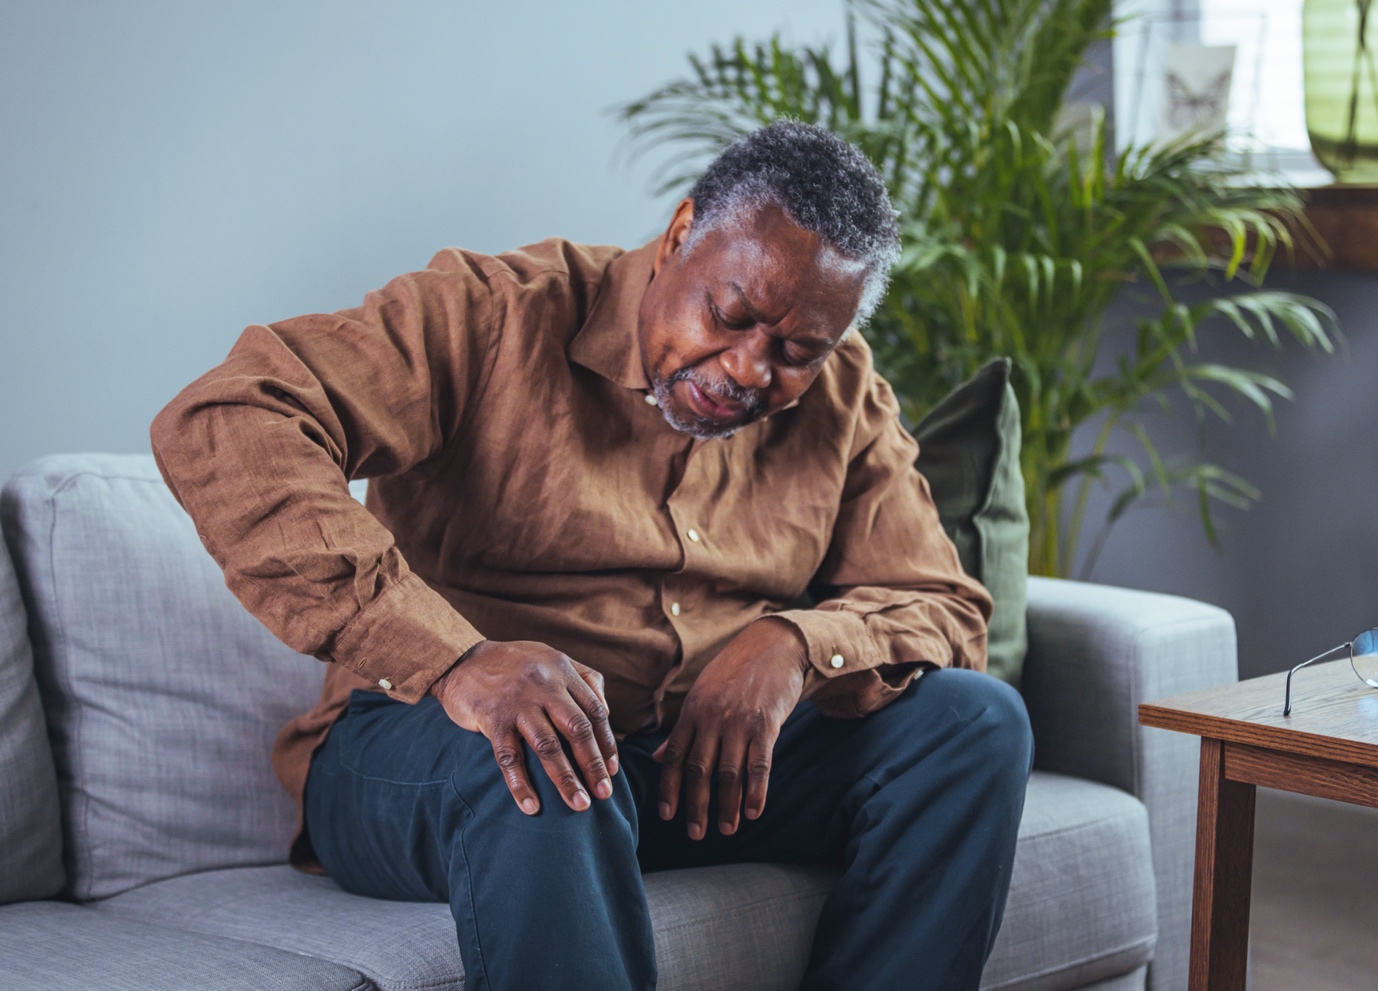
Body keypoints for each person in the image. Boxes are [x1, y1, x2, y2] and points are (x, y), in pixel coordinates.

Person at [151, 120, 1034, 991]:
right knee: (545, 747)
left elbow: (946, 606)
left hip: (690, 769)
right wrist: (457, 661)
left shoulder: (845, 397)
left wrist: (795, 648)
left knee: (974, 726)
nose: (750, 370)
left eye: (797, 351)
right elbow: (230, 415)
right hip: (434, 751)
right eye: (730, 315)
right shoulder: (493, 313)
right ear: (681, 234)